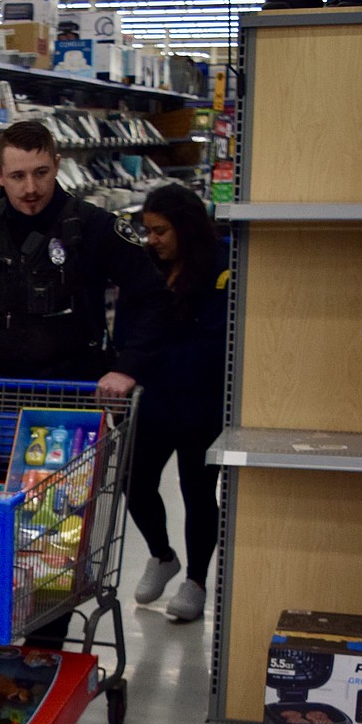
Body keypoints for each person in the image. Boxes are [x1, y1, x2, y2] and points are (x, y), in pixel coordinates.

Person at [0, 118, 169, 399]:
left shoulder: (95, 227)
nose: (31, 188)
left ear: (57, 165)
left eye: (41, 173)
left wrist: (127, 367)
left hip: (82, 392)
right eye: (18, 176)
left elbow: (155, 299)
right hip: (2, 391)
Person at [126, 183, 229, 623]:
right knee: (135, 481)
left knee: (197, 491)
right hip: (153, 399)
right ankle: (163, 555)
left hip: (200, 402)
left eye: (160, 230)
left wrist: (152, 360)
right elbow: (131, 323)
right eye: (148, 230)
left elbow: (213, 343)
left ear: (184, 228)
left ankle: (197, 581)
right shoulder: (146, 266)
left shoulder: (221, 267)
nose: (153, 239)